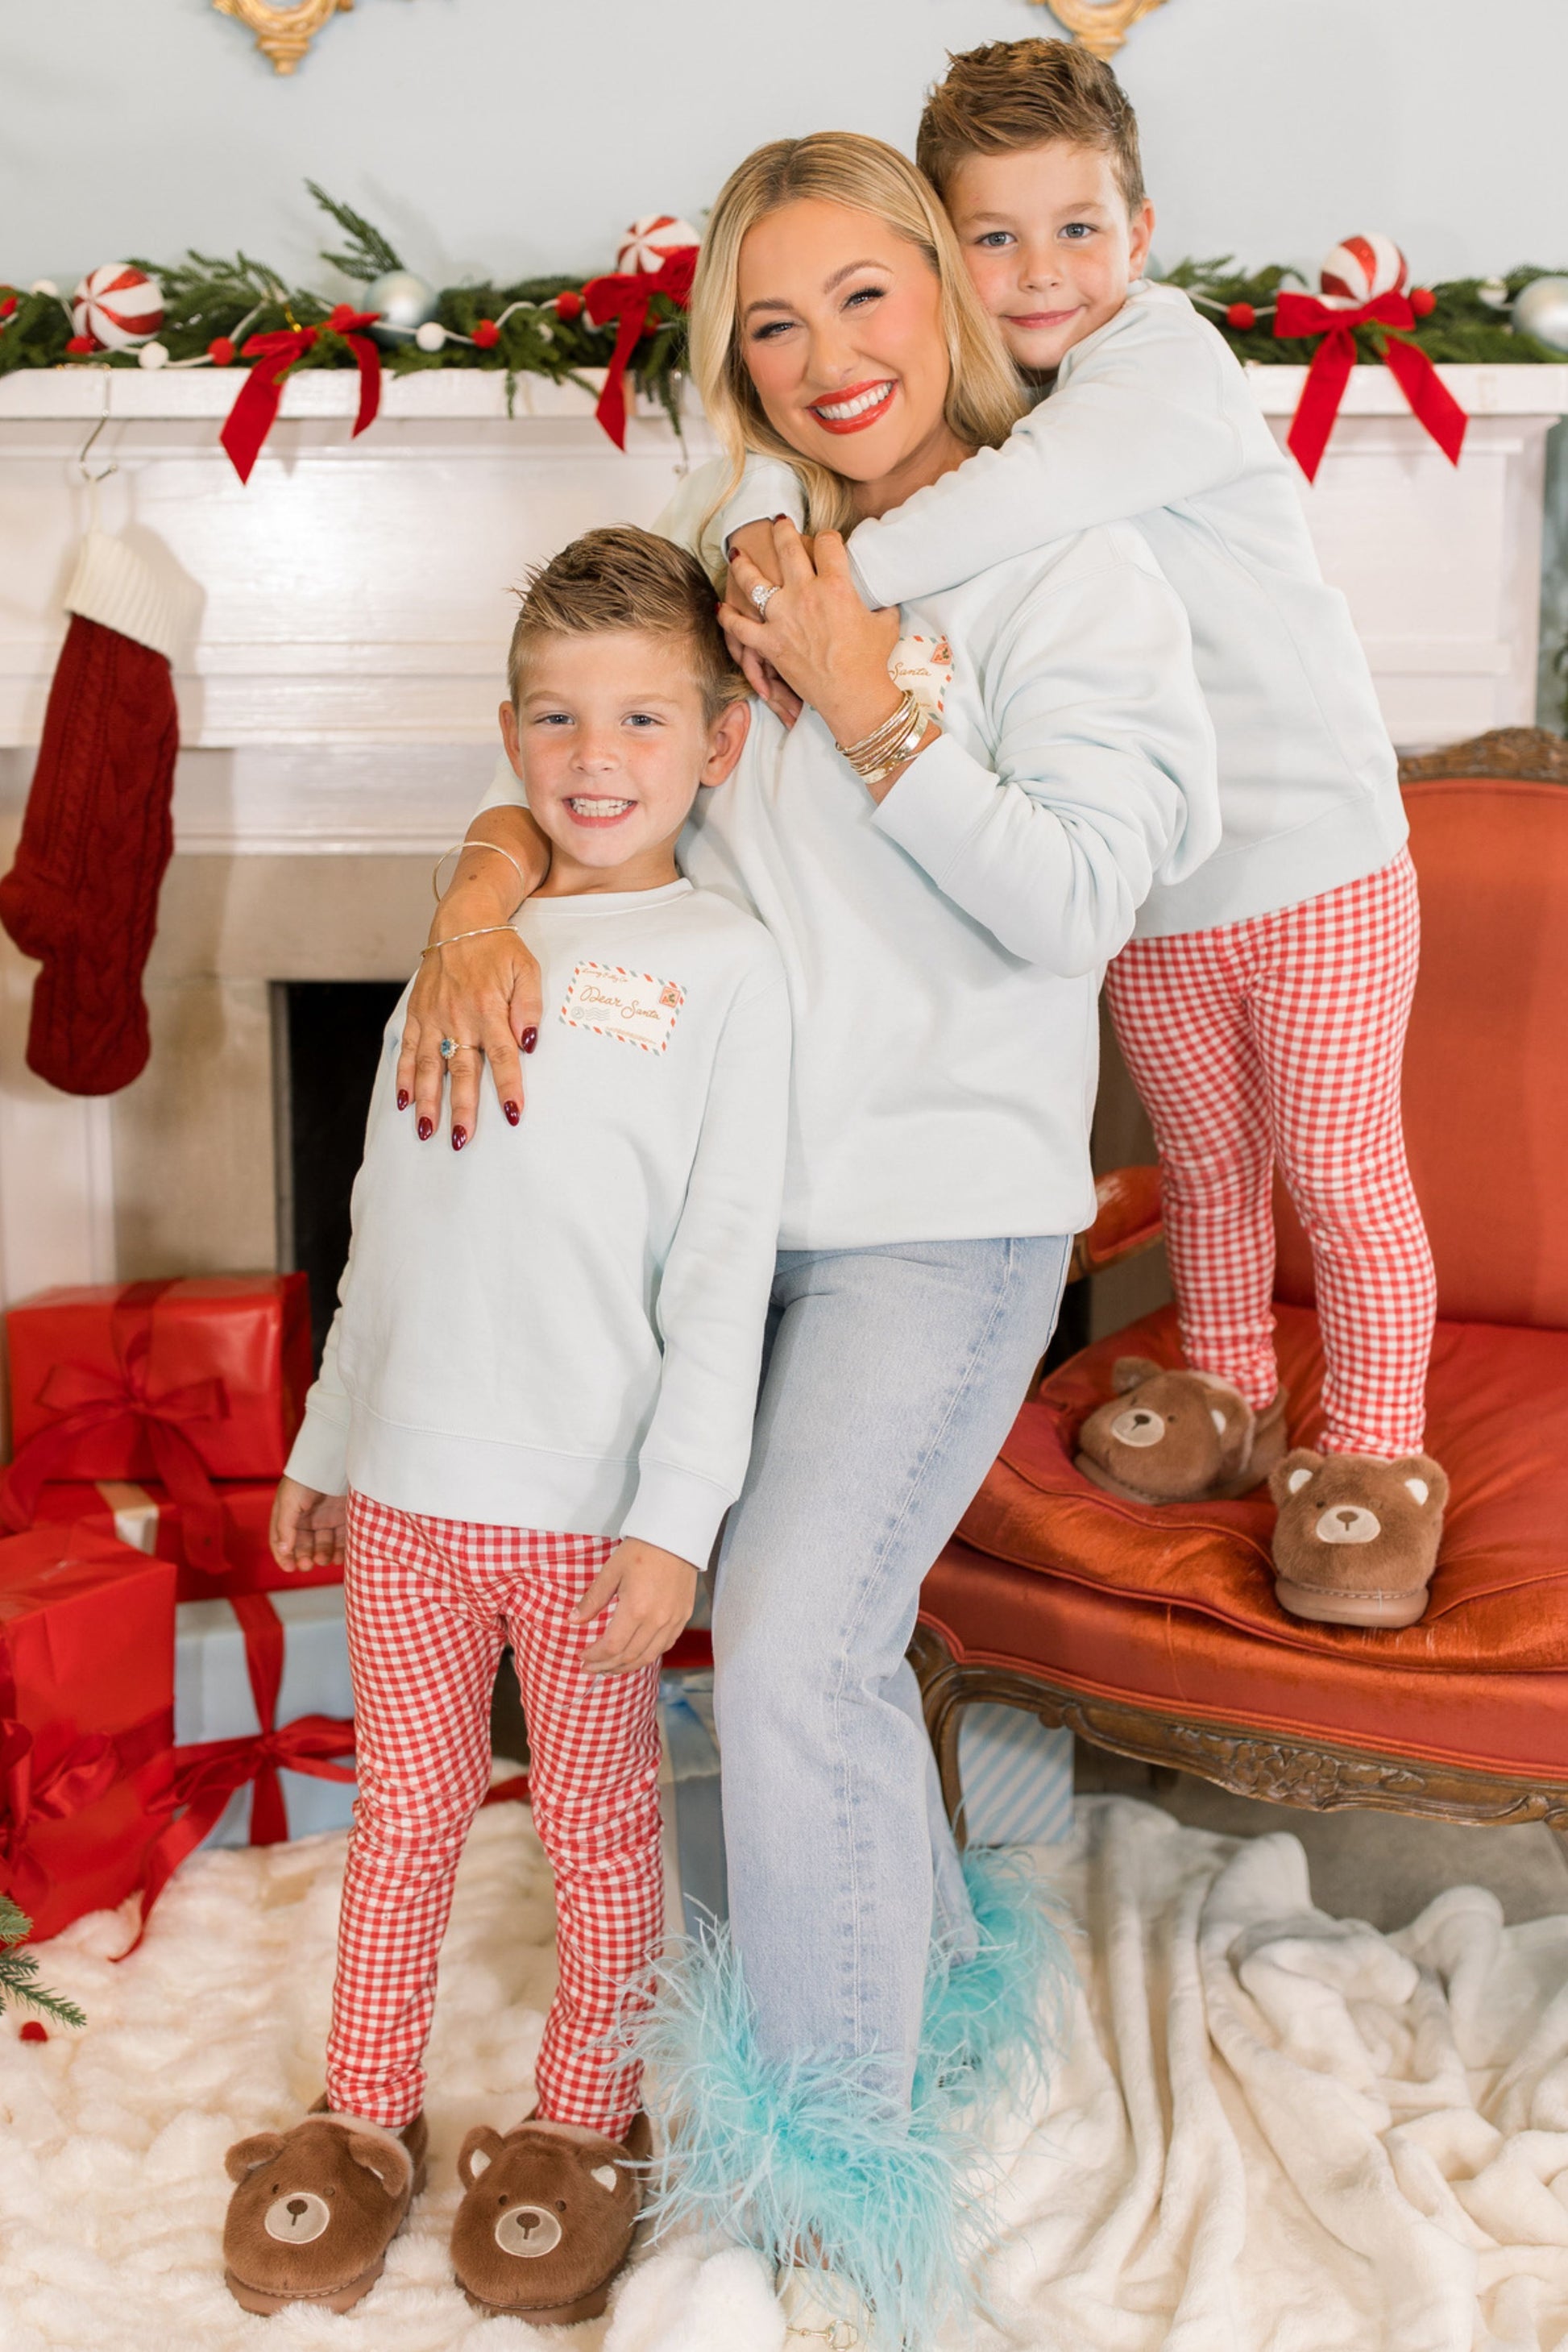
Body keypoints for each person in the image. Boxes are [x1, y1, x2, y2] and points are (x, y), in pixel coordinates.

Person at [403, 135, 1217, 2347]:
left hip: (929, 1234)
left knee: (785, 1645)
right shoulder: (733, 557)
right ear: (730, 358)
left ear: (949, 297)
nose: (826, 355)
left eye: (865, 296)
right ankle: (917, 1969)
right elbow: (591, 755)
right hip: (702, 1226)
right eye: (773, 319)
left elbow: (1075, 905)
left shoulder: (1077, 577)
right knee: (656, 1628)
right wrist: (485, 893)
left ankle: (817, 2170)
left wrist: (871, 701)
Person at [728, 39, 1443, 1622]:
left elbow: (1007, 506)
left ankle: (1375, 1460)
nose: (1040, 271)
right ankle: (1233, 1394)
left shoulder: (1155, 363)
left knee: (1334, 1166)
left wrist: (813, 599)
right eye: (992, 237)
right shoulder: (995, 408)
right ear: (940, 252)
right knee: (1201, 1162)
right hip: (1169, 892)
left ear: (1141, 229)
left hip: (1319, 860)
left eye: (1076, 227)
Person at [216, 528, 790, 2328]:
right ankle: (367, 2117)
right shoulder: (458, 945)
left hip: (582, 1506)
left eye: (637, 714)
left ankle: (579, 2122)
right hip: (407, 1493)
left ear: (718, 743)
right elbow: (393, 1216)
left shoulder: (725, 970)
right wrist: (327, 1436)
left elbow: (719, 1271)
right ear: (508, 729)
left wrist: (676, 1517)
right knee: (402, 1816)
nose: (593, 753)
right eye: (556, 713)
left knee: (602, 1831)